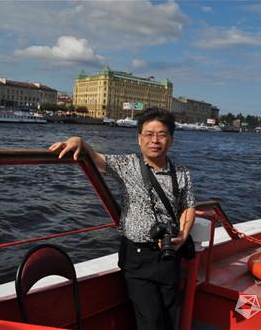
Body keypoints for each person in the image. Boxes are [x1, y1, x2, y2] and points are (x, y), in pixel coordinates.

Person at [49, 107, 195, 330]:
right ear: (139, 139)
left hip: (169, 255)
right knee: (151, 322)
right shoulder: (128, 166)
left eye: (161, 134)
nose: (155, 140)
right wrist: (79, 141)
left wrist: (183, 235)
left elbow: (188, 206)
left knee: (170, 316)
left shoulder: (181, 172)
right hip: (136, 258)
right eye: (148, 134)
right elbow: (97, 159)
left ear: (171, 140)